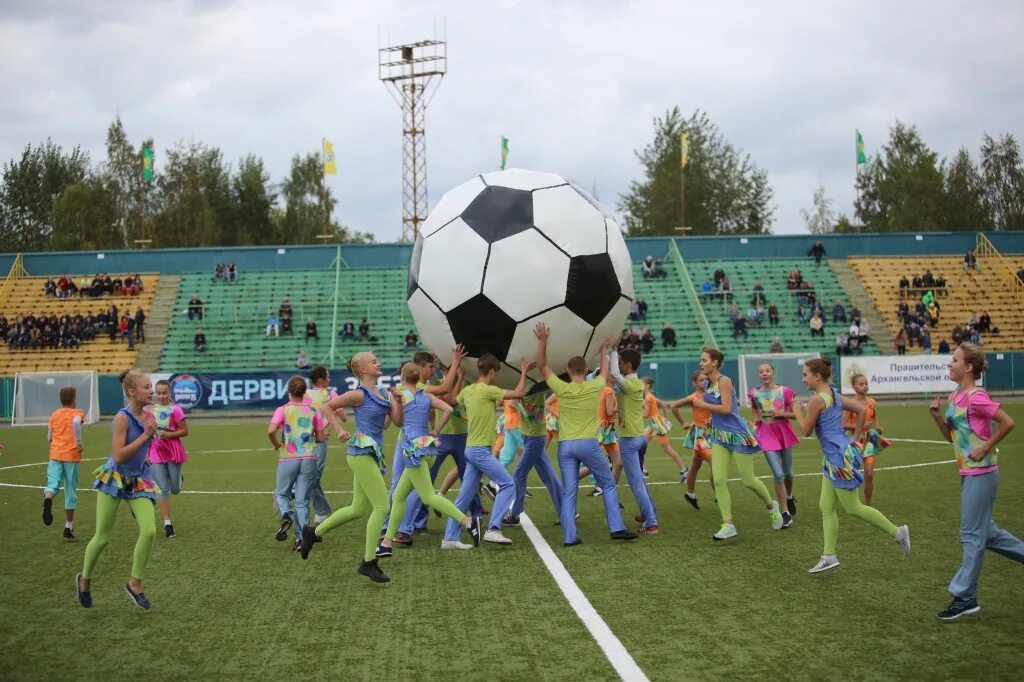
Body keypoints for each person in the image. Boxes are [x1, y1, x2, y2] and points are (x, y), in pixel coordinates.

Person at [929, 343, 1022, 620]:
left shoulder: (977, 398)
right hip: (968, 473)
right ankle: (967, 596)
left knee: (971, 536)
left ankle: (966, 597)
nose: (950, 364)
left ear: (968, 368)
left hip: (982, 473)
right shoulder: (955, 395)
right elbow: (952, 437)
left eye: (955, 360)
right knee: (988, 534)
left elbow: (1008, 422)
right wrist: (937, 417)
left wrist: (984, 448)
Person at [793, 358, 910, 574]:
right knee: (826, 507)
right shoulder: (832, 394)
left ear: (817, 376)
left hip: (838, 458)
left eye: (805, 374)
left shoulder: (818, 399)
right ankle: (829, 556)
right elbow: (861, 411)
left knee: (853, 507)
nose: (803, 378)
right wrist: (855, 440)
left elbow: (806, 430)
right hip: (835, 456)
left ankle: (898, 532)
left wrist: (796, 409)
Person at [300, 352, 403, 583]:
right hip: (360, 453)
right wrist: (339, 430)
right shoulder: (359, 394)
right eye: (374, 361)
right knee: (382, 506)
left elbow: (395, 423)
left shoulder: (384, 393)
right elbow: (327, 407)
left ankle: (313, 532)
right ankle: (369, 562)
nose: (379, 363)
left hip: (372, 454)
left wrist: (397, 401)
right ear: (363, 369)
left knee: (357, 509)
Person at [534, 323, 636, 545]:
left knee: (570, 492)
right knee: (608, 484)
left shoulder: (562, 388)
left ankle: (570, 537)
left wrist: (543, 340)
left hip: (566, 447)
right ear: (586, 371)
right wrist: (603, 350)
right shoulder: (596, 386)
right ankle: (617, 528)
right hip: (589, 444)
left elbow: (541, 365)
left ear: (569, 372)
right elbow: (606, 371)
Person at [77, 371, 159, 610]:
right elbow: (120, 455)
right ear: (132, 391)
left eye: (151, 387)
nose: (151, 391)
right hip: (115, 478)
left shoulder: (148, 416)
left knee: (149, 531)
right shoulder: (121, 418)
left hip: (138, 480)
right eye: (146, 387)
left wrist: (147, 457)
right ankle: (85, 579)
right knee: (102, 538)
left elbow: (142, 449)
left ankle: (135, 583)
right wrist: (145, 436)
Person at [379, 364, 480, 554]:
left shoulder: (398, 393)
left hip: (412, 450)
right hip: (427, 446)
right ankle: (386, 543)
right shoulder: (425, 395)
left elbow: (398, 423)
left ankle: (468, 522)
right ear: (418, 378)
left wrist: (395, 402)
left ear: (401, 376)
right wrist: (435, 431)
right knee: (399, 496)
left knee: (428, 496)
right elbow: (448, 409)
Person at [440, 354, 531, 547]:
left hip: (471, 449)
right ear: (491, 372)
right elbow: (520, 392)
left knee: (464, 496)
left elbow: (450, 399)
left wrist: (460, 376)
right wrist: (523, 372)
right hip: (479, 450)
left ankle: (449, 537)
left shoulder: (469, 390)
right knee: (508, 484)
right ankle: (494, 529)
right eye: (495, 374)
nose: (495, 377)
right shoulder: (489, 390)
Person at [694, 348, 782, 540]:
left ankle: (771, 506)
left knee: (748, 480)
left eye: (704, 360)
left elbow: (726, 408)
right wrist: (710, 418)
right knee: (718, 480)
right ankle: (728, 524)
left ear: (715, 362)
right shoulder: (708, 383)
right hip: (719, 436)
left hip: (737, 435)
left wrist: (704, 406)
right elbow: (719, 410)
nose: (700, 363)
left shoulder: (724, 381)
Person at [268, 377, 326, 551]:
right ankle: (301, 539)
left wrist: (277, 444)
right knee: (302, 501)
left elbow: (271, 430)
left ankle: (287, 514)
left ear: (289, 391)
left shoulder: (283, 409)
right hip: (309, 458)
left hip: (288, 457)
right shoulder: (313, 410)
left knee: (282, 494)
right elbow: (321, 438)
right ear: (304, 391)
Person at [748, 363, 800, 527]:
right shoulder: (754, 393)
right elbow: (755, 409)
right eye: (761, 371)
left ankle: (789, 496)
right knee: (778, 474)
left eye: (767, 370)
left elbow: (797, 413)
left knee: (788, 473)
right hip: (766, 434)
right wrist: (756, 418)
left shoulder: (785, 391)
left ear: (773, 373)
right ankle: (784, 513)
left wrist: (781, 414)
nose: (764, 373)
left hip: (783, 431)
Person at [504, 391, 565, 526]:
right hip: (529, 437)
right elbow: (513, 403)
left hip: (535, 439)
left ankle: (514, 514)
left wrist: (521, 405)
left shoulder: (536, 390)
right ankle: (566, 511)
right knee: (550, 477)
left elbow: (515, 405)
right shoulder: (526, 388)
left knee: (519, 474)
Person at [147, 380, 189, 539]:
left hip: (173, 450)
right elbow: (146, 432)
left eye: (164, 393)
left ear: (170, 393)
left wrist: (168, 435)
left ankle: (179, 480)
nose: (161, 396)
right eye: (158, 393)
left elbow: (185, 431)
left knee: (175, 490)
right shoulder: (150, 410)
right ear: (155, 393)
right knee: (162, 488)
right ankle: (167, 524)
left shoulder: (176, 410)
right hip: (155, 451)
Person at [304, 366, 347, 524]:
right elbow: (343, 417)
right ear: (321, 380)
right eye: (327, 378)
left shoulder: (305, 394)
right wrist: (328, 420)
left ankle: (320, 511)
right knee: (314, 476)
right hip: (320, 439)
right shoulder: (330, 393)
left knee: (310, 475)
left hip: (305, 438)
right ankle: (320, 510)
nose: (329, 380)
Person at [42, 387, 85, 540]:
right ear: (74, 400)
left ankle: (48, 499)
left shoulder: (55, 414)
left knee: (52, 484)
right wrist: (78, 442)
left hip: (55, 454)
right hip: (71, 455)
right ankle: (68, 526)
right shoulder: (77, 413)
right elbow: (76, 422)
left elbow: (49, 437)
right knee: (70, 491)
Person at [671, 371, 715, 510]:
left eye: (706, 379)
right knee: (715, 464)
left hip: (713, 433)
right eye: (701, 380)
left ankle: (690, 494)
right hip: (700, 434)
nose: (704, 381)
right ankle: (719, 494)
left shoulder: (712, 394)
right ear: (694, 383)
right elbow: (674, 406)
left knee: (695, 465)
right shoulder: (694, 397)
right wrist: (683, 423)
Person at [844, 374, 890, 506]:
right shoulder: (850, 404)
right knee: (851, 474)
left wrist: (878, 427)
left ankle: (867, 505)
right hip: (855, 441)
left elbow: (874, 416)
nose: (865, 386)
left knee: (869, 474)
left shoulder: (872, 402)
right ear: (853, 387)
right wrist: (859, 426)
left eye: (866, 383)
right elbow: (842, 424)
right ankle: (852, 502)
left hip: (869, 441)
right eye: (861, 384)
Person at [642, 376, 687, 482]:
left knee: (666, 448)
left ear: (647, 386)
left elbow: (646, 414)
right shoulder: (650, 396)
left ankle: (684, 471)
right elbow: (663, 404)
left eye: (641, 384)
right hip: (655, 423)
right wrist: (664, 418)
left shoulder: (648, 398)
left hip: (655, 424)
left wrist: (634, 414)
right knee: (642, 445)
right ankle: (644, 471)